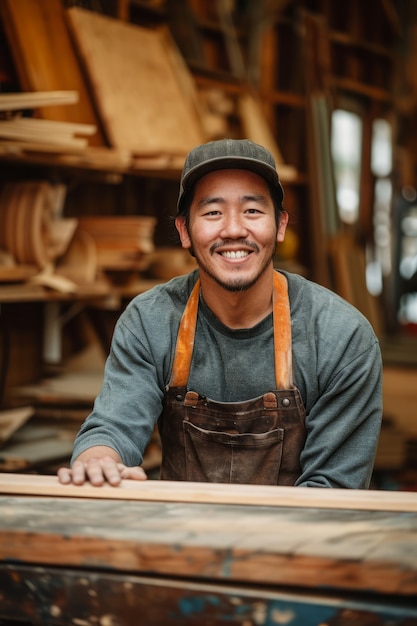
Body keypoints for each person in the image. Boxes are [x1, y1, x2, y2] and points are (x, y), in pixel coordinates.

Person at [58, 138, 383, 489]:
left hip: (295, 537)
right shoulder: (150, 321)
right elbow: (114, 425)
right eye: (213, 212)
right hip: (178, 537)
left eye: (253, 211)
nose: (232, 230)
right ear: (184, 230)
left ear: (281, 226)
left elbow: (333, 489)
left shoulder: (342, 337)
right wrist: (97, 461)